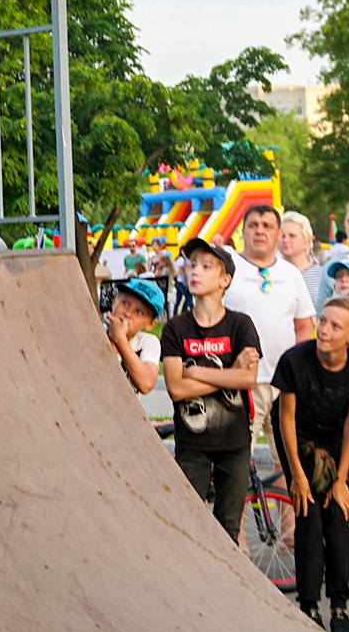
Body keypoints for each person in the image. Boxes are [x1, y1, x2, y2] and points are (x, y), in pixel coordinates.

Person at [274, 295, 349, 632]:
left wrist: (342, 479)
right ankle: (309, 606)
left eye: (335, 326)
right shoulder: (295, 360)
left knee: (337, 519)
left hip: (335, 440)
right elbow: (285, 419)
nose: (324, 329)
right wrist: (298, 477)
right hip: (298, 438)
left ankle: (340, 608)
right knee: (309, 516)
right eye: (323, 321)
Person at [160, 238, 263, 544]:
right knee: (188, 526)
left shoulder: (240, 325)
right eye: (192, 265)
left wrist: (197, 371)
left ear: (225, 280)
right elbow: (177, 389)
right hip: (192, 443)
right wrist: (229, 373)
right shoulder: (176, 328)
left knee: (228, 527)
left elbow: (248, 380)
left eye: (206, 267)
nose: (195, 272)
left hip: (235, 442)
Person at [222, 205, 317, 453]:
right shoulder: (226, 269)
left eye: (267, 226)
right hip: (241, 383)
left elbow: (304, 327)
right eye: (253, 225)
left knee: (288, 461)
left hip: (284, 384)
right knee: (238, 459)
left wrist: (297, 371)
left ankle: (282, 495)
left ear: (278, 233)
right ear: (243, 232)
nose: (260, 231)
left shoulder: (291, 274)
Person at [104, 279, 167, 397]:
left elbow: (146, 384)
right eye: (125, 303)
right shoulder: (93, 331)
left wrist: (120, 340)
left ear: (150, 325)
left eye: (139, 312)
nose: (128, 313)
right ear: (114, 302)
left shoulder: (147, 342)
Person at [280, 210, 326, 309]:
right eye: (282, 236)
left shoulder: (323, 276)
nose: (285, 240)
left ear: (306, 242)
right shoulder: (269, 272)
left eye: (292, 236)